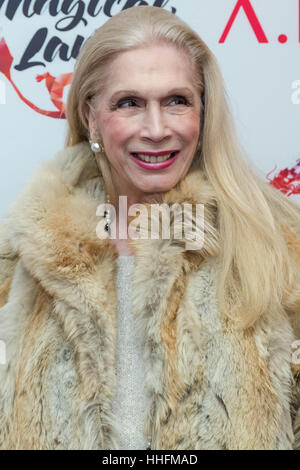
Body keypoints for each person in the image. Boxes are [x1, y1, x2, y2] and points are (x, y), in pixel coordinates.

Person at [0, 5, 300, 451]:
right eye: (130, 103)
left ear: (203, 110)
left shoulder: (276, 245)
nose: (157, 129)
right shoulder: (22, 256)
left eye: (177, 101)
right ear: (91, 116)